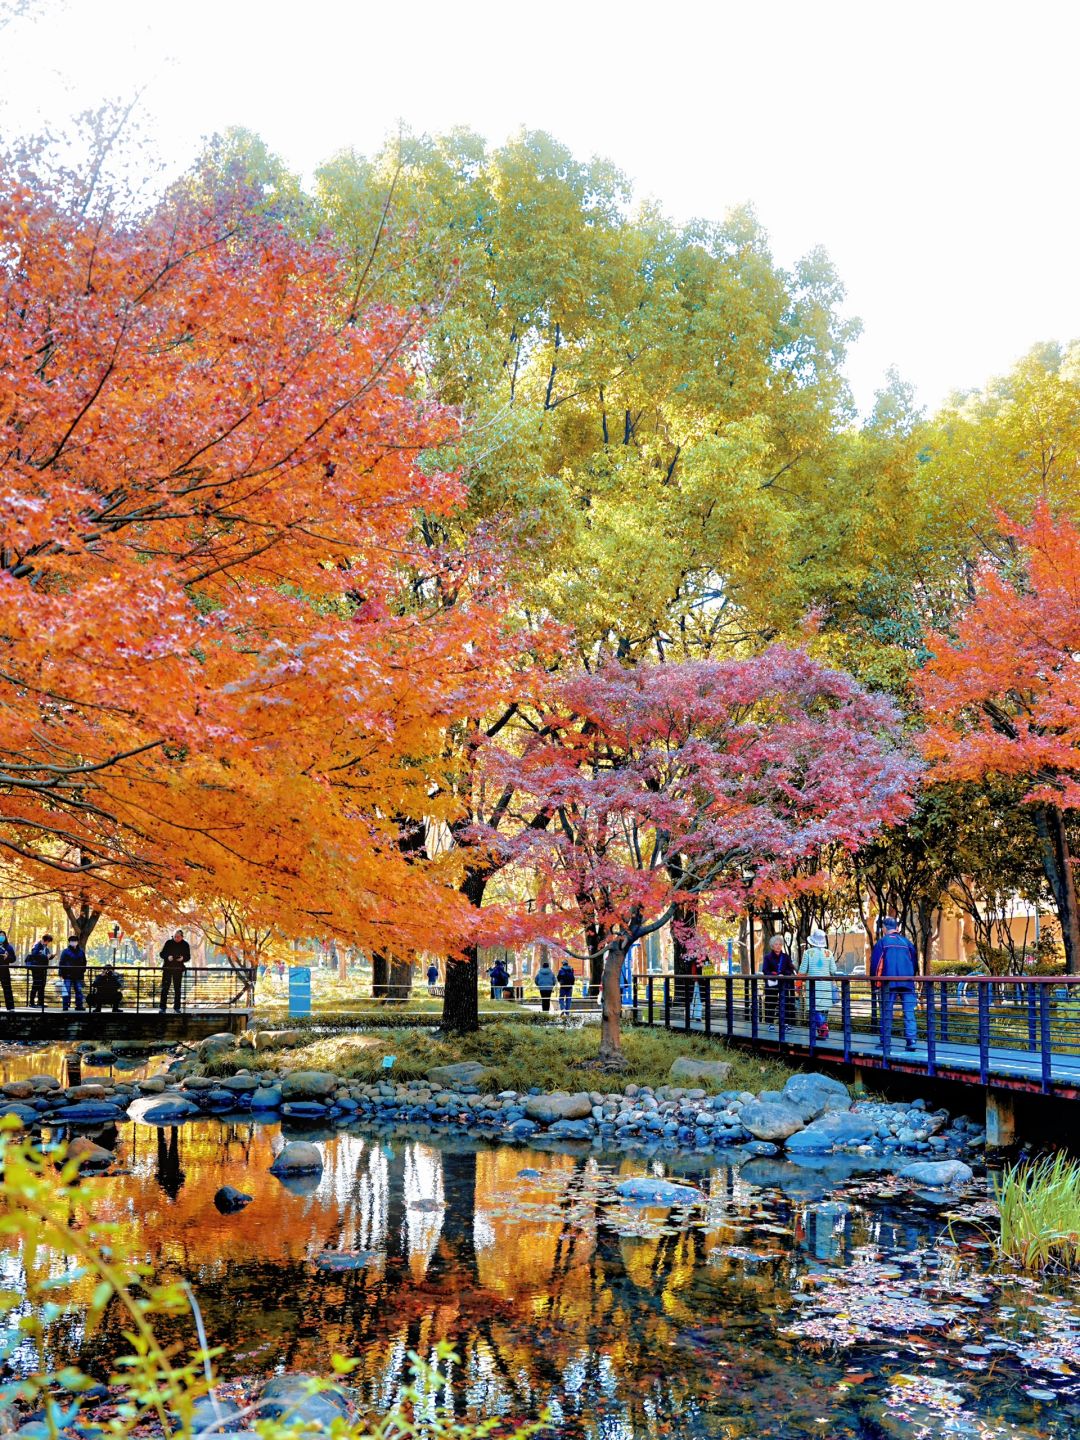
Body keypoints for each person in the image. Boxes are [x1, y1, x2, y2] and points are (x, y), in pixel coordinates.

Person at [871, 916, 919, 1051]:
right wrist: (911, 976)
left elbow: (876, 965)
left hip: (888, 982)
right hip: (907, 981)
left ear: (884, 928)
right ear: (897, 928)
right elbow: (914, 963)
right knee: (909, 1012)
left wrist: (874, 983)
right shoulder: (906, 942)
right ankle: (911, 1041)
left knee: (887, 1012)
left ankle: (885, 1041)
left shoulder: (882, 942)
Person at [798, 926, 838, 1039]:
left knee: (814, 1009)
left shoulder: (808, 953)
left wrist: (799, 983)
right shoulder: (829, 953)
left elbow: (802, 971)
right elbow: (833, 970)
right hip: (826, 987)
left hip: (813, 987)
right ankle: (823, 1033)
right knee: (823, 1010)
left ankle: (823, 1030)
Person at [761, 934, 795, 1027]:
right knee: (771, 1003)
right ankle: (770, 1024)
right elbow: (765, 970)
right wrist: (774, 974)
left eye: (780, 944)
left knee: (785, 1003)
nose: (778, 946)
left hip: (784, 983)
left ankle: (786, 1024)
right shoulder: (767, 957)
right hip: (772, 983)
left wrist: (784, 974)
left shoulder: (786, 956)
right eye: (776, 944)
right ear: (772, 945)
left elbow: (790, 969)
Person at [159, 929, 191, 1014]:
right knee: (165, 988)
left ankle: (177, 1007)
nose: (176, 938)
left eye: (178, 937)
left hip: (178, 969)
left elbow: (188, 957)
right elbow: (161, 954)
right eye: (174, 936)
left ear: (182, 937)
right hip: (167, 968)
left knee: (178, 989)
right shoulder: (168, 942)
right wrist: (167, 957)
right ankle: (162, 1007)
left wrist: (183, 958)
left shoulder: (185, 944)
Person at [58, 935, 88, 1012]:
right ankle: (65, 1005)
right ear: (69, 942)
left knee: (79, 991)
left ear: (77, 942)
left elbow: (84, 962)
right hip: (67, 974)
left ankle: (79, 1005)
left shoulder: (81, 952)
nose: (73, 942)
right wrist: (61, 973)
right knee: (66, 990)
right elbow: (61, 963)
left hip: (78, 975)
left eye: (75, 941)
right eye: (72, 941)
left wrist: (82, 970)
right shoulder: (65, 951)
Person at [26, 934, 53, 1009]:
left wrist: (50, 956)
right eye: (48, 941)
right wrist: (45, 956)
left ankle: (40, 1002)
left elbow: (46, 955)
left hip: (43, 968)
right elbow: (34, 954)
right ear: (45, 940)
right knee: (36, 984)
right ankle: (31, 1002)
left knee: (42, 985)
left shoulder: (45, 947)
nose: (48, 943)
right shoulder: (37, 945)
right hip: (36, 968)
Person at [0, 929, 14, 1012]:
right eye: (0, 935)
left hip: (5, 970)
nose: (1, 937)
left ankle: (10, 1007)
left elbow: (13, 958)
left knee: (7, 988)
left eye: (3, 935)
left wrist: (7, 957)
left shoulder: (9, 947)